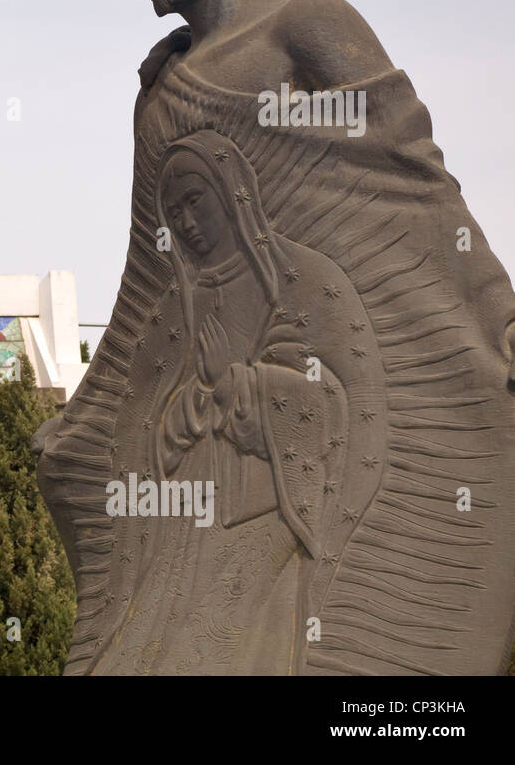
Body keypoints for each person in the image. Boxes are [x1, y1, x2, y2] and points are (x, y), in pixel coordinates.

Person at [35, 0, 515, 675]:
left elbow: (415, 180)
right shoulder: (158, 94)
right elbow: (152, 277)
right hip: (201, 455)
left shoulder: (308, 26)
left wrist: (498, 310)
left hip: (285, 438)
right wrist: (91, 414)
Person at [89, 131, 383, 674]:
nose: (187, 223)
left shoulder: (304, 282)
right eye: (174, 213)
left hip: (266, 509)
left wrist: (246, 386)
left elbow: (338, 403)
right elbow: (155, 419)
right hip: (192, 514)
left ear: (231, 194)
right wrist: (192, 408)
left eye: (195, 201)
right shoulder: (181, 303)